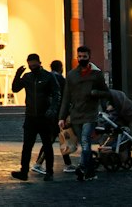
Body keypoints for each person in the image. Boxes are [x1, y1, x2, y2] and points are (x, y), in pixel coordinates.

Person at [58, 44, 107, 181]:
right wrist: (62, 117)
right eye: (79, 56)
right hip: (76, 115)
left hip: (90, 114)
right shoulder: (72, 75)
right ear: (77, 57)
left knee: (85, 141)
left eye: (84, 57)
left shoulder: (96, 74)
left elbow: (105, 92)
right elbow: (66, 97)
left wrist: (96, 93)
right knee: (83, 143)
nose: (82, 59)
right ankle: (90, 172)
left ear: (89, 57)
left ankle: (81, 167)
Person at [10, 53, 61, 181]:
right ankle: (24, 171)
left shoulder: (48, 76)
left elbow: (56, 94)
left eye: (34, 64)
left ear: (39, 63)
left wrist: (52, 110)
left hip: (45, 117)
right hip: (31, 116)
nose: (32, 66)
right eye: (30, 64)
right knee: (27, 146)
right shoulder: (28, 77)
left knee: (47, 145)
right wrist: (17, 75)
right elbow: (15, 89)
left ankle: (49, 172)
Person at [33, 60, 78, 175]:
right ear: (61, 67)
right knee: (54, 138)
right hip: (57, 115)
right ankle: (38, 163)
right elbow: (65, 97)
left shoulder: (47, 77)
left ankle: (67, 164)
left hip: (48, 113)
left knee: (61, 138)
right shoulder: (61, 80)